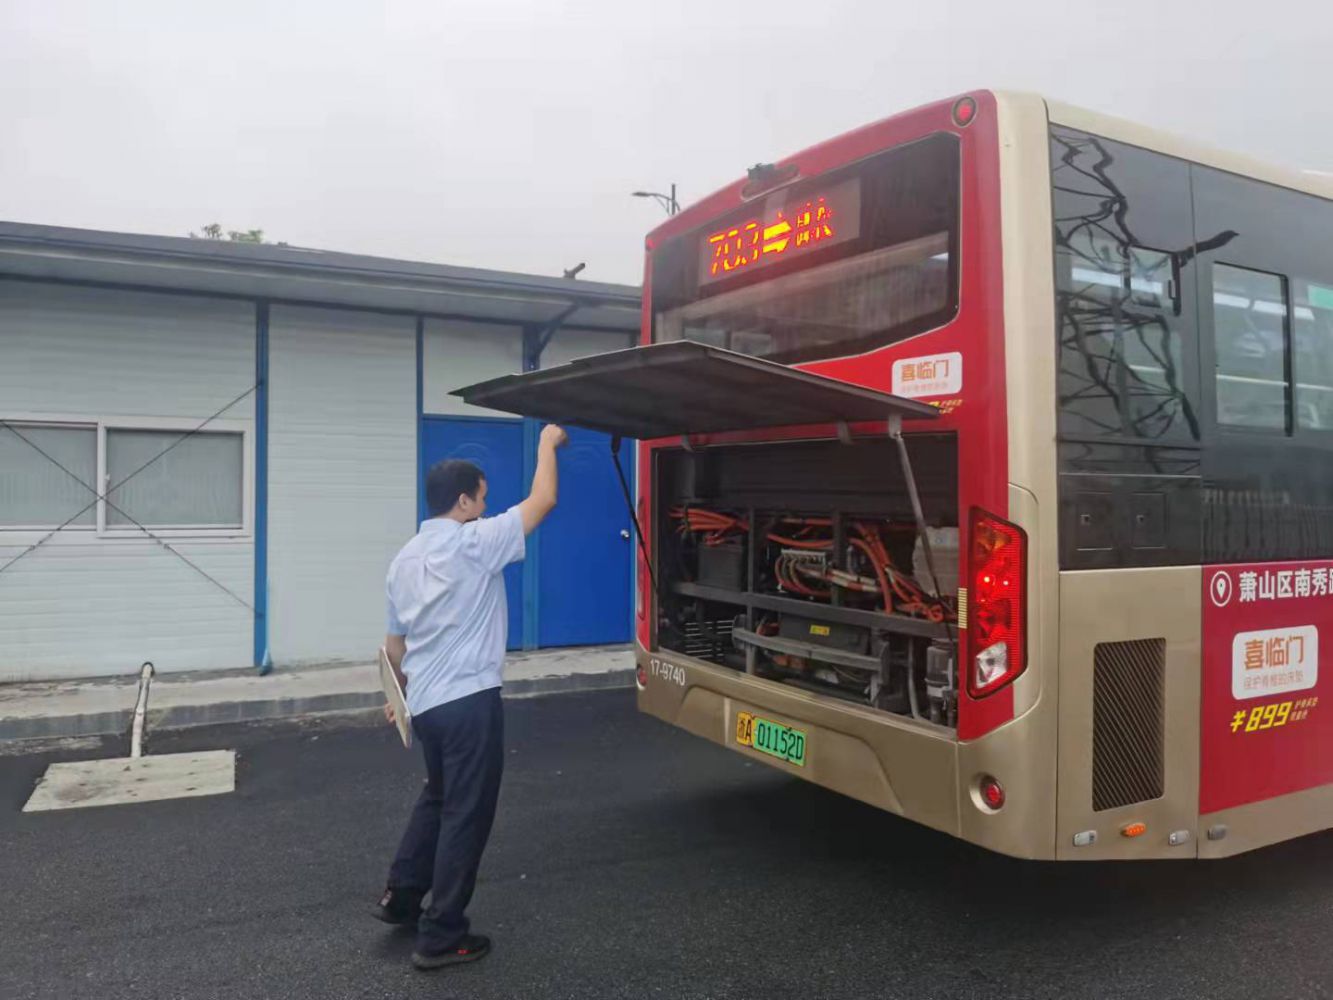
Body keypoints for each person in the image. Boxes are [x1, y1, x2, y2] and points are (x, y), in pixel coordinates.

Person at [376, 423, 568, 971]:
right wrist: (546, 443)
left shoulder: (403, 560)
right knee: (466, 813)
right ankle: (441, 936)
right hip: (469, 702)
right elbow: (543, 500)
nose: (486, 507)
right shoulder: (475, 542)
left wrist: (398, 695)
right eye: (482, 498)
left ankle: (401, 896)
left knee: (438, 797)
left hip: (427, 704)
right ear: (463, 501)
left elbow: (394, 645)